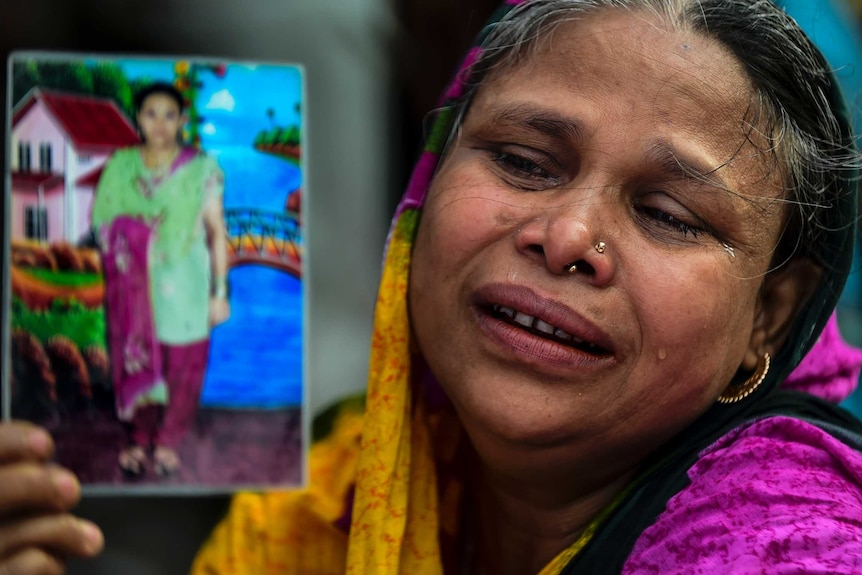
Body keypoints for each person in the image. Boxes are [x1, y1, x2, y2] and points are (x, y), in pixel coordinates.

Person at [2, 0, 862, 573]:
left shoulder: (790, 548)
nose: (566, 237)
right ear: (423, 188)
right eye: (523, 162)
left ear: (769, 317)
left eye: (669, 212)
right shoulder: (334, 491)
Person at [91, 81, 230, 478]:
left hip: (185, 289)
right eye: (151, 114)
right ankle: (138, 438)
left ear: (182, 121)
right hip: (135, 295)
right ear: (139, 119)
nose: (161, 124)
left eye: (170, 115)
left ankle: (168, 440)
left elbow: (217, 230)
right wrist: (138, 234)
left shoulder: (201, 169)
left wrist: (220, 292)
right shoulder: (120, 167)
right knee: (136, 360)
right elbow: (104, 224)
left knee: (184, 369)